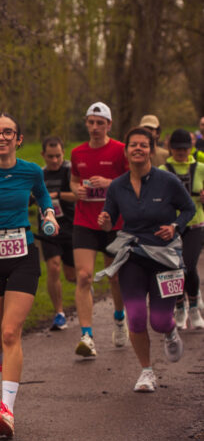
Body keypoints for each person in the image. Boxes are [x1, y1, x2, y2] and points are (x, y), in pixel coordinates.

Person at [0, 113, 58, 438]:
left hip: (22, 255)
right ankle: (3, 362)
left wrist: (48, 213)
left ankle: (6, 411)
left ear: (18, 139)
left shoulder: (31, 171)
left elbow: (43, 196)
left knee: (10, 333)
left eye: (8, 132)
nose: (2, 137)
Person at [95, 127, 195, 392]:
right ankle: (146, 371)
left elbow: (189, 208)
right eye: (133, 145)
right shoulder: (117, 186)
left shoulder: (168, 181)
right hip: (133, 255)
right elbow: (109, 220)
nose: (138, 149)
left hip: (164, 258)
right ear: (126, 150)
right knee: (137, 318)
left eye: (143, 145)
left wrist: (175, 226)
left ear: (151, 149)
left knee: (160, 321)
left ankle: (171, 330)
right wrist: (105, 222)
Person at [69, 101, 128, 357]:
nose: (94, 127)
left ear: (109, 125)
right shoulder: (77, 153)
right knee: (84, 276)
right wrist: (76, 191)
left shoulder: (120, 150)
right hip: (84, 221)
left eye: (100, 123)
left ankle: (119, 317)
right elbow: (73, 180)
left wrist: (109, 183)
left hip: (115, 223)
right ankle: (87, 335)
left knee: (115, 277)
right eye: (91, 122)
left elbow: (132, 182)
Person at [160, 128, 204, 329]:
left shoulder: (201, 168)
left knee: (188, 264)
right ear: (170, 148)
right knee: (172, 267)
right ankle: (179, 307)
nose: (181, 152)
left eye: (185, 148)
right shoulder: (162, 170)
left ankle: (194, 306)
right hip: (170, 227)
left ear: (191, 148)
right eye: (177, 148)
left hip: (195, 224)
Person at [37, 136, 77, 330]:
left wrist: (56, 195)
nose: (54, 160)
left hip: (69, 227)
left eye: (58, 156)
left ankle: (85, 290)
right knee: (53, 267)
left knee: (72, 275)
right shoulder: (39, 174)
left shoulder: (69, 170)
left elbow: (78, 194)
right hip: (48, 229)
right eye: (50, 156)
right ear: (43, 155)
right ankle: (59, 313)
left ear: (63, 153)